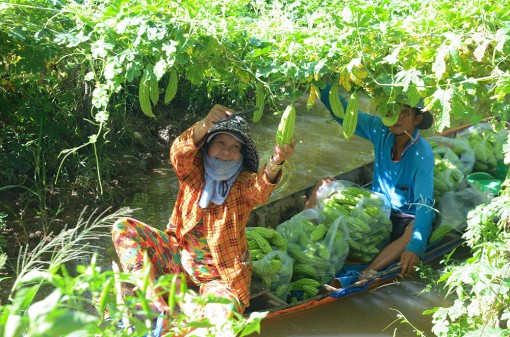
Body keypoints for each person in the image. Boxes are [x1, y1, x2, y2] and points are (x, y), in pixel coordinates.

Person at [111, 104, 296, 324]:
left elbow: (261, 187)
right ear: (207, 146)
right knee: (123, 228)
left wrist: (276, 162)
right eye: (220, 142)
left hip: (219, 276)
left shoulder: (242, 184)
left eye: (235, 146)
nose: (226, 151)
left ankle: (183, 310)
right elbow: (178, 152)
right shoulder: (193, 173)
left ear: (241, 157)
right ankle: (150, 292)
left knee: (218, 318)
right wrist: (205, 124)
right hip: (178, 259)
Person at [308, 85, 435, 279]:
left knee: (415, 227)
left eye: (405, 113)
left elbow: (424, 204)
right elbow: (344, 114)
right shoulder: (380, 130)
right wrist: (323, 84)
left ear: (417, 119)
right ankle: (304, 237)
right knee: (323, 185)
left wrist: (416, 246)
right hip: (376, 208)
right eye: (390, 109)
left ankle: (369, 271)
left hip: (403, 217)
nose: (395, 117)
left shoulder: (421, 154)